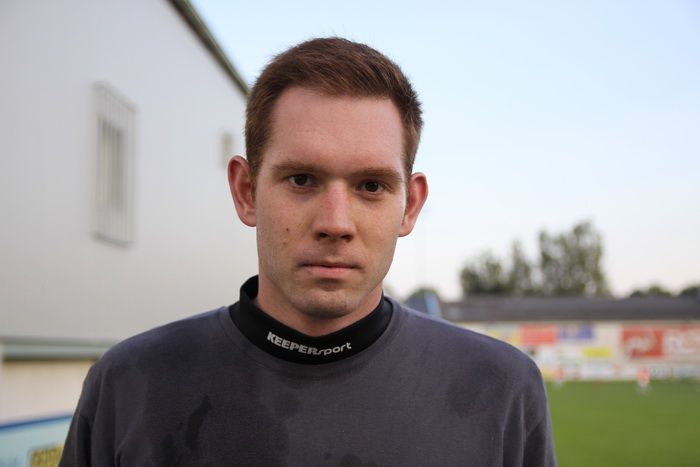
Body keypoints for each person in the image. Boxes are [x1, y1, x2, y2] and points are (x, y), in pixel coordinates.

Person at [60, 37, 557, 466]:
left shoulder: (501, 389)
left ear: (410, 206)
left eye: (371, 186)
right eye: (301, 179)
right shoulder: (129, 384)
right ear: (246, 191)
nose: (335, 224)